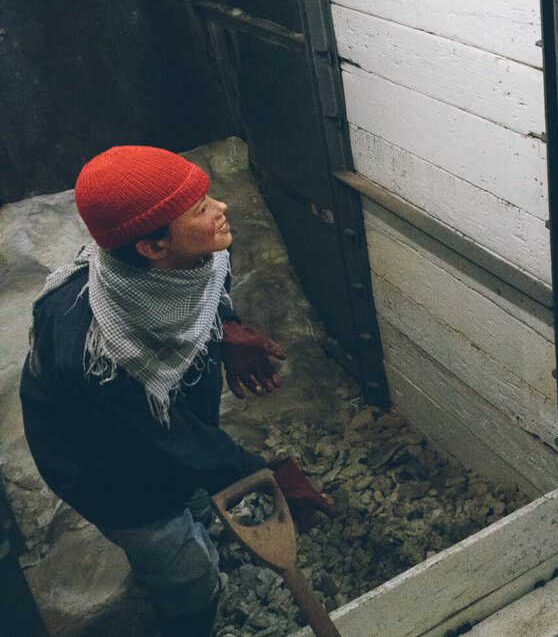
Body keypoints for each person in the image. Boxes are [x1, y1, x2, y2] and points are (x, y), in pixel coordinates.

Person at [19, 146, 331, 636]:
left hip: (160, 429)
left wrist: (226, 328)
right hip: (108, 469)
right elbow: (166, 440)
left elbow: (210, 292)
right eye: (201, 209)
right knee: (185, 571)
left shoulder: (193, 259)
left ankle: (190, 527)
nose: (222, 207)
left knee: (195, 502)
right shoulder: (97, 353)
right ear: (153, 247)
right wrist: (259, 474)